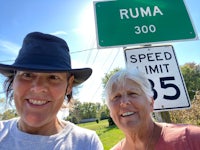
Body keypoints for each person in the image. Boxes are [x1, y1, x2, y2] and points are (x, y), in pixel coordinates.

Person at [0, 32, 103, 150]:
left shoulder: (86, 143)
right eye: (27, 75)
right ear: (13, 80)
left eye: (53, 77)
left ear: (68, 85)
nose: (38, 88)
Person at [104, 68, 200, 150]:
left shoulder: (192, 139)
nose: (124, 102)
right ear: (111, 112)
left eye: (132, 93)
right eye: (116, 97)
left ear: (151, 102)